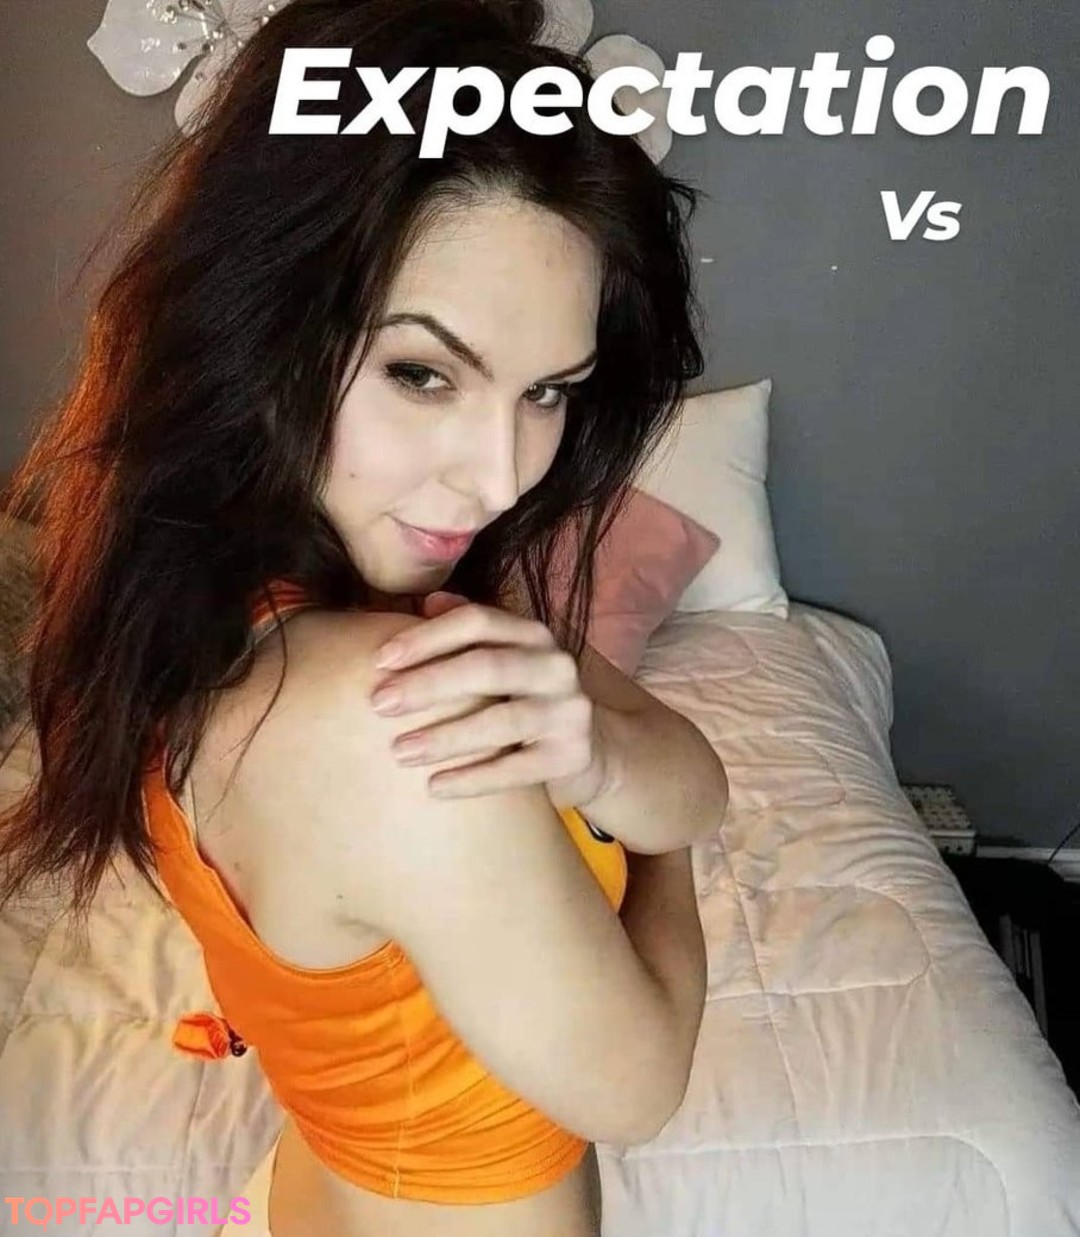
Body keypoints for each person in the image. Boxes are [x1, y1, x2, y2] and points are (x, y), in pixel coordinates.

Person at [0, 1, 728, 1234]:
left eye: (548, 391)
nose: (499, 479)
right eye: (421, 373)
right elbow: (640, 1079)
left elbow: (690, 781)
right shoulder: (377, 711)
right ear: (258, 323)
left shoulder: (212, 601)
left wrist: (599, 754)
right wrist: (656, 844)